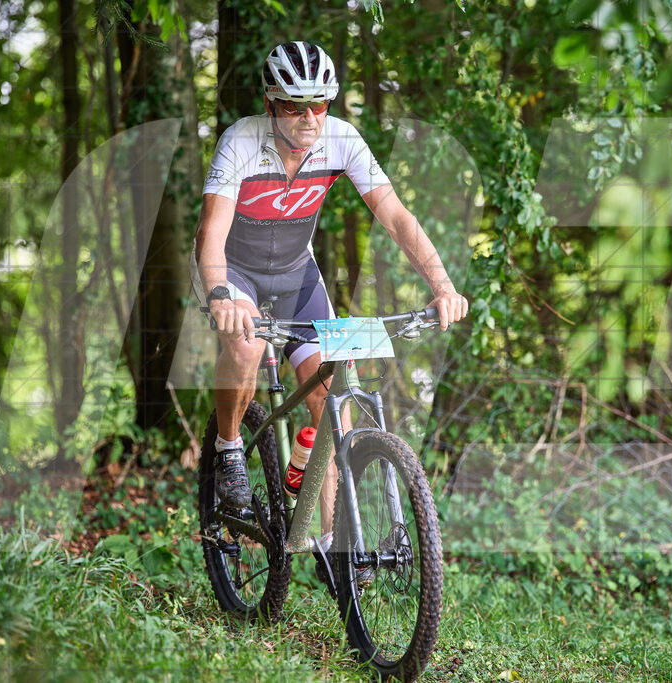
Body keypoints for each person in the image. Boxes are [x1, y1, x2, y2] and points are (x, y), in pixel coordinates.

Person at [191, 41, 467, 538]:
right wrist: (219, 296)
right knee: (247, 344)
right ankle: (229, 448)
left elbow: (397, 219)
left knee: (334, 391)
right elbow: (210, 234)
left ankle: (335, 542)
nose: (308, 118)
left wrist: (442, 287)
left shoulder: (343, 140)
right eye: (294, 106)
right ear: (271, 103)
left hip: (298, 274)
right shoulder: (239, 141)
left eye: (318, 105)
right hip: (236, 271)